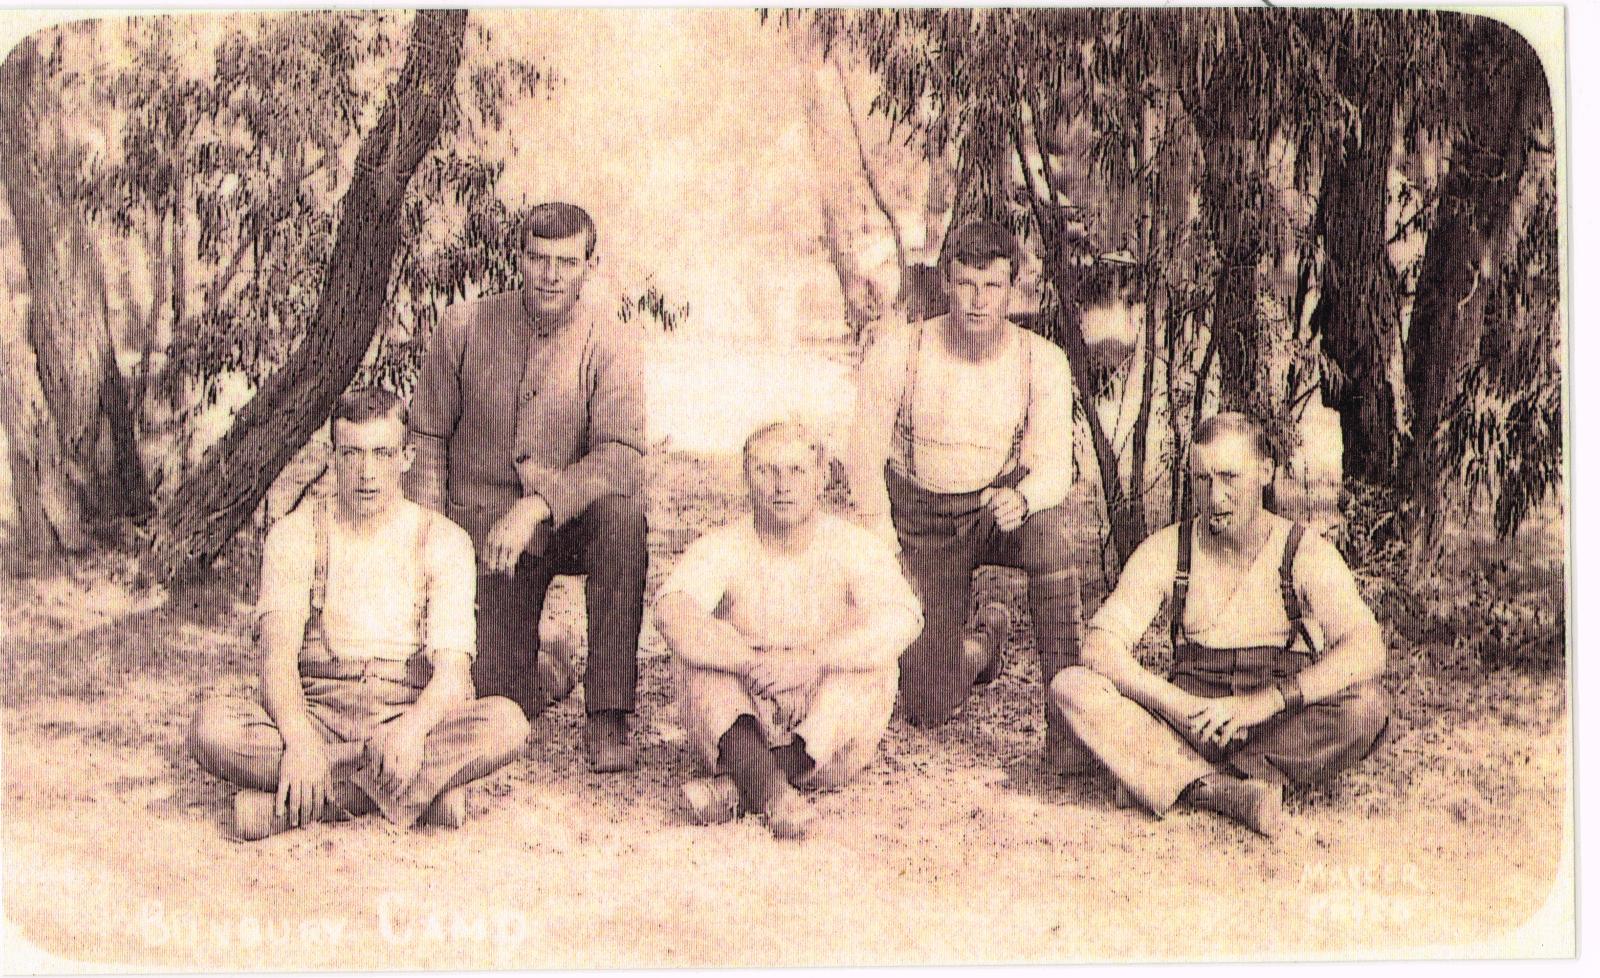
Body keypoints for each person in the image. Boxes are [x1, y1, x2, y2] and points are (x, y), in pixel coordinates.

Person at [189, 389, 531, 840]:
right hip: (319, 713)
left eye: (382, 453)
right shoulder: (295, 536)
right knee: (211, 729)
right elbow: (276, 662)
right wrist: (300, 739)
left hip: (404, 714)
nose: (367, 473)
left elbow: (452, 676)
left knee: (506, 724)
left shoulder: (442, 540)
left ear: (406, 458)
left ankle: (294, 804)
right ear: (333, 457)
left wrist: (411, 731)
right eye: (352, 454)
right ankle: (419, 794)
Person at [1051, 412, 1391, 837]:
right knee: (1072, 686)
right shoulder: (1167, 550)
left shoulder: (1304, 552)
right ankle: (1223, 791)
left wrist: (1263, 704)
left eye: (1230, 476)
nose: (1215, 496)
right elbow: (1099, 646)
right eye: (1202, 479)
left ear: (1265, 472)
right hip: (1191, 719)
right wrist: (1177, 705)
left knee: (1367, 706)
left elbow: (1366, 648)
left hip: (1273, 723)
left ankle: (1174, 775)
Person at [406, 202, 648, 772]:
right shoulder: (463, 326)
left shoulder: (609, 341)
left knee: (621, 520)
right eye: (538, 258)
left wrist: (540, 504)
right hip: (484, 534)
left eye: (566, 262)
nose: (550, 274)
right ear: (519, 258)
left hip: (562, 523)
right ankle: (548, 666)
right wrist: (428, 544)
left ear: (589, 266)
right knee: (503, 702)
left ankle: (608, 712)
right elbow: (427, 438)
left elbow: (621, 455)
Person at [844, 219, 1089, 771]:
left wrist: (1024, 497)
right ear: (946, 282)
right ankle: (984, 640)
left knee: (1053, 535)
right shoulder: (899, 352)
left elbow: (1056, 464)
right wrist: (883, 541)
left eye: (993, 286)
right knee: (928, 706)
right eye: (966, 284)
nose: (979, 301)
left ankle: (1070, 726)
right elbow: (863, 456)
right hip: (922, 517)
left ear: (1013, 287)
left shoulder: (1040, 360)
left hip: (993, 509)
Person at [655, 422, 923, 839]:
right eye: (767, 470)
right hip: (748, 706)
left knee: (872, 666)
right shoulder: (723, 545)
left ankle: (753, 784)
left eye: (797, 471)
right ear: (746, 477)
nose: (782, 485)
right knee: (698, 666)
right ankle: (770, 790)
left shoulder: (854, 544)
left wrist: (815, 661)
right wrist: (745, 662)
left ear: (822, 477)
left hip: (826, 729)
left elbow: (902, 617)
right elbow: (672, 611)